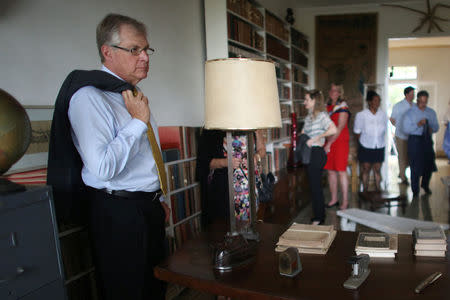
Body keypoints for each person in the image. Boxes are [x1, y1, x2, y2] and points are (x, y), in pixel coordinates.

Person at [47, 14, 170, 300]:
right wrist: (138, 123)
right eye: (134, 49)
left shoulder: (131, 95)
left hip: (147, 207)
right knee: (127, 291)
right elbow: (102, 167)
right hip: (118, 212)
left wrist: (159, 198)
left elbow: (146, 157)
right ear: (107, 51)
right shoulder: (89, 97)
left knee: (155, 287)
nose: (144, 58)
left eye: (146, 49)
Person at [197, 130, 266, 226]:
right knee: (227, 228)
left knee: (250, 227)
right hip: (225, 190)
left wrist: (256, 157)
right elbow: (204, 163)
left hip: (250, 189)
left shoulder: (252, 124)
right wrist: (226, 162)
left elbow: (262, 150)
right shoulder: (212, 129)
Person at [301, 90, 337, 225]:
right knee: (313, 186)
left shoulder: (322, 115)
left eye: (307, 100)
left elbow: (333, 129)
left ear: (314, 101)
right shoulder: (309, 116)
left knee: (316, 186)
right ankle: (318, 215)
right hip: (310, 153)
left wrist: (317, 137)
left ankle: (319, 217)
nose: (304, 102)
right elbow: (304, 132)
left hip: (317, 153)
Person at [402, 90, 439, 197]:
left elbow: (436, 127)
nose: (423, 104)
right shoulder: (409, 113)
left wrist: (432, 128)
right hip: (415, 140)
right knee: (415, 166)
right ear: (417, 100)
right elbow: (406, 129)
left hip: (427, 140)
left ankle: (425, 185)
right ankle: (415, 190)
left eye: (425, 102)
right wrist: (418, 124)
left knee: (429, 164)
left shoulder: (431, 112)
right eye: (421, 102)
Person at [353, 90, 388, 192]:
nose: (378, 103)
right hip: (366, 146)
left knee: (377, 169)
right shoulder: (361, 115)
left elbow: (384, 129)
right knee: (366, 169)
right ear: (369, 102)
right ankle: (365, 190)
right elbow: (357, 132)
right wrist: (362, 144)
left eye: (379, 101)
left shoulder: (383, 115)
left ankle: (378, 190)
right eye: (375, 100)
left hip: (379, 146)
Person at [324, 83, 350, 210]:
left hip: (340, 141)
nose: (332, 92)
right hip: (328, 140)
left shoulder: (343, 106)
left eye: (335, 90)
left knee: (341, 171)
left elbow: (340, 128)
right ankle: (334, 199)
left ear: (340, 93)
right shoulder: (327, 106)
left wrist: (329, 143)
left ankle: (345, 201)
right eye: (331, 90)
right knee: (330, 171)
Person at [390, 86, 415, 184]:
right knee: (402, 156)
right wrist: (400, 126)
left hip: (412, 136)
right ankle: (403, 177)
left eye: (414, 94)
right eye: (412, 94)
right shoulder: (398, 106)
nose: (413, 95)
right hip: (401, 135)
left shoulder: (415, 106)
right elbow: (392, 119)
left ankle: (402, 172)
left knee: (410, 156)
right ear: (406, 94)